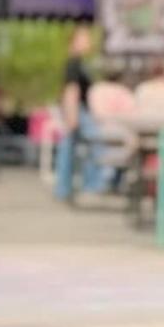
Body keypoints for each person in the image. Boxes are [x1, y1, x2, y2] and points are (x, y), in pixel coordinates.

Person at [56, 24, 107, 198]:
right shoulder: (74, 63)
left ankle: (64, 188)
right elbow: (71, 90)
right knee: (96, 144)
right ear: (75, 41)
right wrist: (72, 115)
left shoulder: (80, 63)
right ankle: (90, 185)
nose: (89, 42)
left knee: (70, 149)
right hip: (79, 110)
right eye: (85, 38)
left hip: (80, 110)